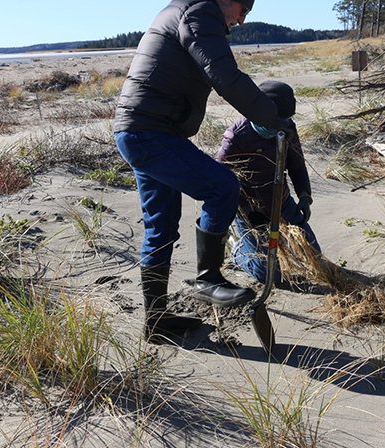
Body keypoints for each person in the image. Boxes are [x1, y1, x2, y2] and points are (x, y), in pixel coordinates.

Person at [114, 0, 293, 341]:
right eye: (243, 9)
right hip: (150, 131)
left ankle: (156, 321)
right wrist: (271, 117)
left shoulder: (185, 10)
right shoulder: (199, 12)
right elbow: (223, 74)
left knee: (161, 228)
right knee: (222, 185)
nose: (241, 19)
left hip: (142, 130)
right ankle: (208, 278)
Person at [216, 80, 321, 286]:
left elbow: (297, 166)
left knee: (313, 256)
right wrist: (247, 211)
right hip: (249, 211)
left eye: (286, 119)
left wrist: (304, 196)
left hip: (281, 203)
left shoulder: (288, 130)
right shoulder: (236, 137)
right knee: (267, 274)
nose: (281, 125)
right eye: (276, 120)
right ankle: (236, 248)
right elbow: (222, 179)